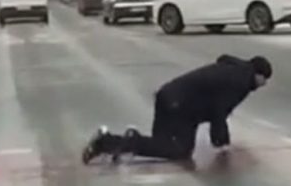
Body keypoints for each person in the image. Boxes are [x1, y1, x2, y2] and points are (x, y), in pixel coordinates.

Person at [82, 54, 273, 163]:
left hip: (168, 96)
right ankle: (127, 140)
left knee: (159, 144)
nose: (264, 84)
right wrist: (221, 142)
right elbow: (219, 110)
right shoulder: (240, 81)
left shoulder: (233, 70)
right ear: (258, 74)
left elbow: (215, 103)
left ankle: (110, 142)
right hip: (181, 106)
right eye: (265, 79)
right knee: (180, 151)